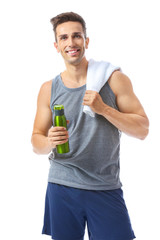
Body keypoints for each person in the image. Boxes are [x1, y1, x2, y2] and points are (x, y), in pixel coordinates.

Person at [31, 12, 149, 240]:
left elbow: (143, 129)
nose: (71, 43)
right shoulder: (49, 89)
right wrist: (49, 141)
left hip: (104, 185)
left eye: (76, 36)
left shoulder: (112, 80)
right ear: (56, 45)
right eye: (64, 38)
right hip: (62, 184)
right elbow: (36, 141)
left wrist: (104, 109)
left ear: (86, 41)